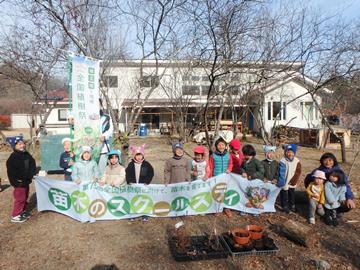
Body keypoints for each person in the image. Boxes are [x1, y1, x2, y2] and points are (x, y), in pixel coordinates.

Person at [6, 137, 36, 223]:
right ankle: (15, 215)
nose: (22, 145)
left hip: (26, 181)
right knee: (20, 198)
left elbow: (32, 163)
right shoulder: (13, 158)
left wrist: (32, 172)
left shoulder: (26, 154)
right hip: (19, 182)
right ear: (14, 146)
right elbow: (15, 172)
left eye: (23, 143)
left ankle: (22, 211)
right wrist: (19, 180)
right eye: (19, 144)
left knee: (25, 196)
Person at [207, 137, 233, 217]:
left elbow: (230, 164)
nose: (221, 146)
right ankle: (217, 209)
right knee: (217, 193)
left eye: (223, 145)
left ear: (226, 146)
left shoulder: (228, 155)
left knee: (226, 192)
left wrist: (229, 169)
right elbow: (210, 166)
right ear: (216, 146)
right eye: (219, 145)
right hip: (216, 177)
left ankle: (226, 208)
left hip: (226, 178)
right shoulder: (213, 156)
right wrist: (210, 177)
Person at [277, 144, 301, 213]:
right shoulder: (283, 161)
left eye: (292, 152)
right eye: (288, 152)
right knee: (284, 193)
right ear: (285, 152)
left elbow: (298, 171)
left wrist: (294, 180)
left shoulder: (297, 161)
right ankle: (284, 206)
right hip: (285, 180)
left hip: (293, 180)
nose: (290, 154)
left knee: (292, 193)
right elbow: (281, 172)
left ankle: (292, 205)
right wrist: (281, 181)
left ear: (294, 153)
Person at [98, 107, 114, 175]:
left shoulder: (106, 117)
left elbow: (110, 130)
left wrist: (105, 136)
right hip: (89, 149)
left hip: (103, 149)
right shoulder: (86, 116)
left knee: (101, 171)